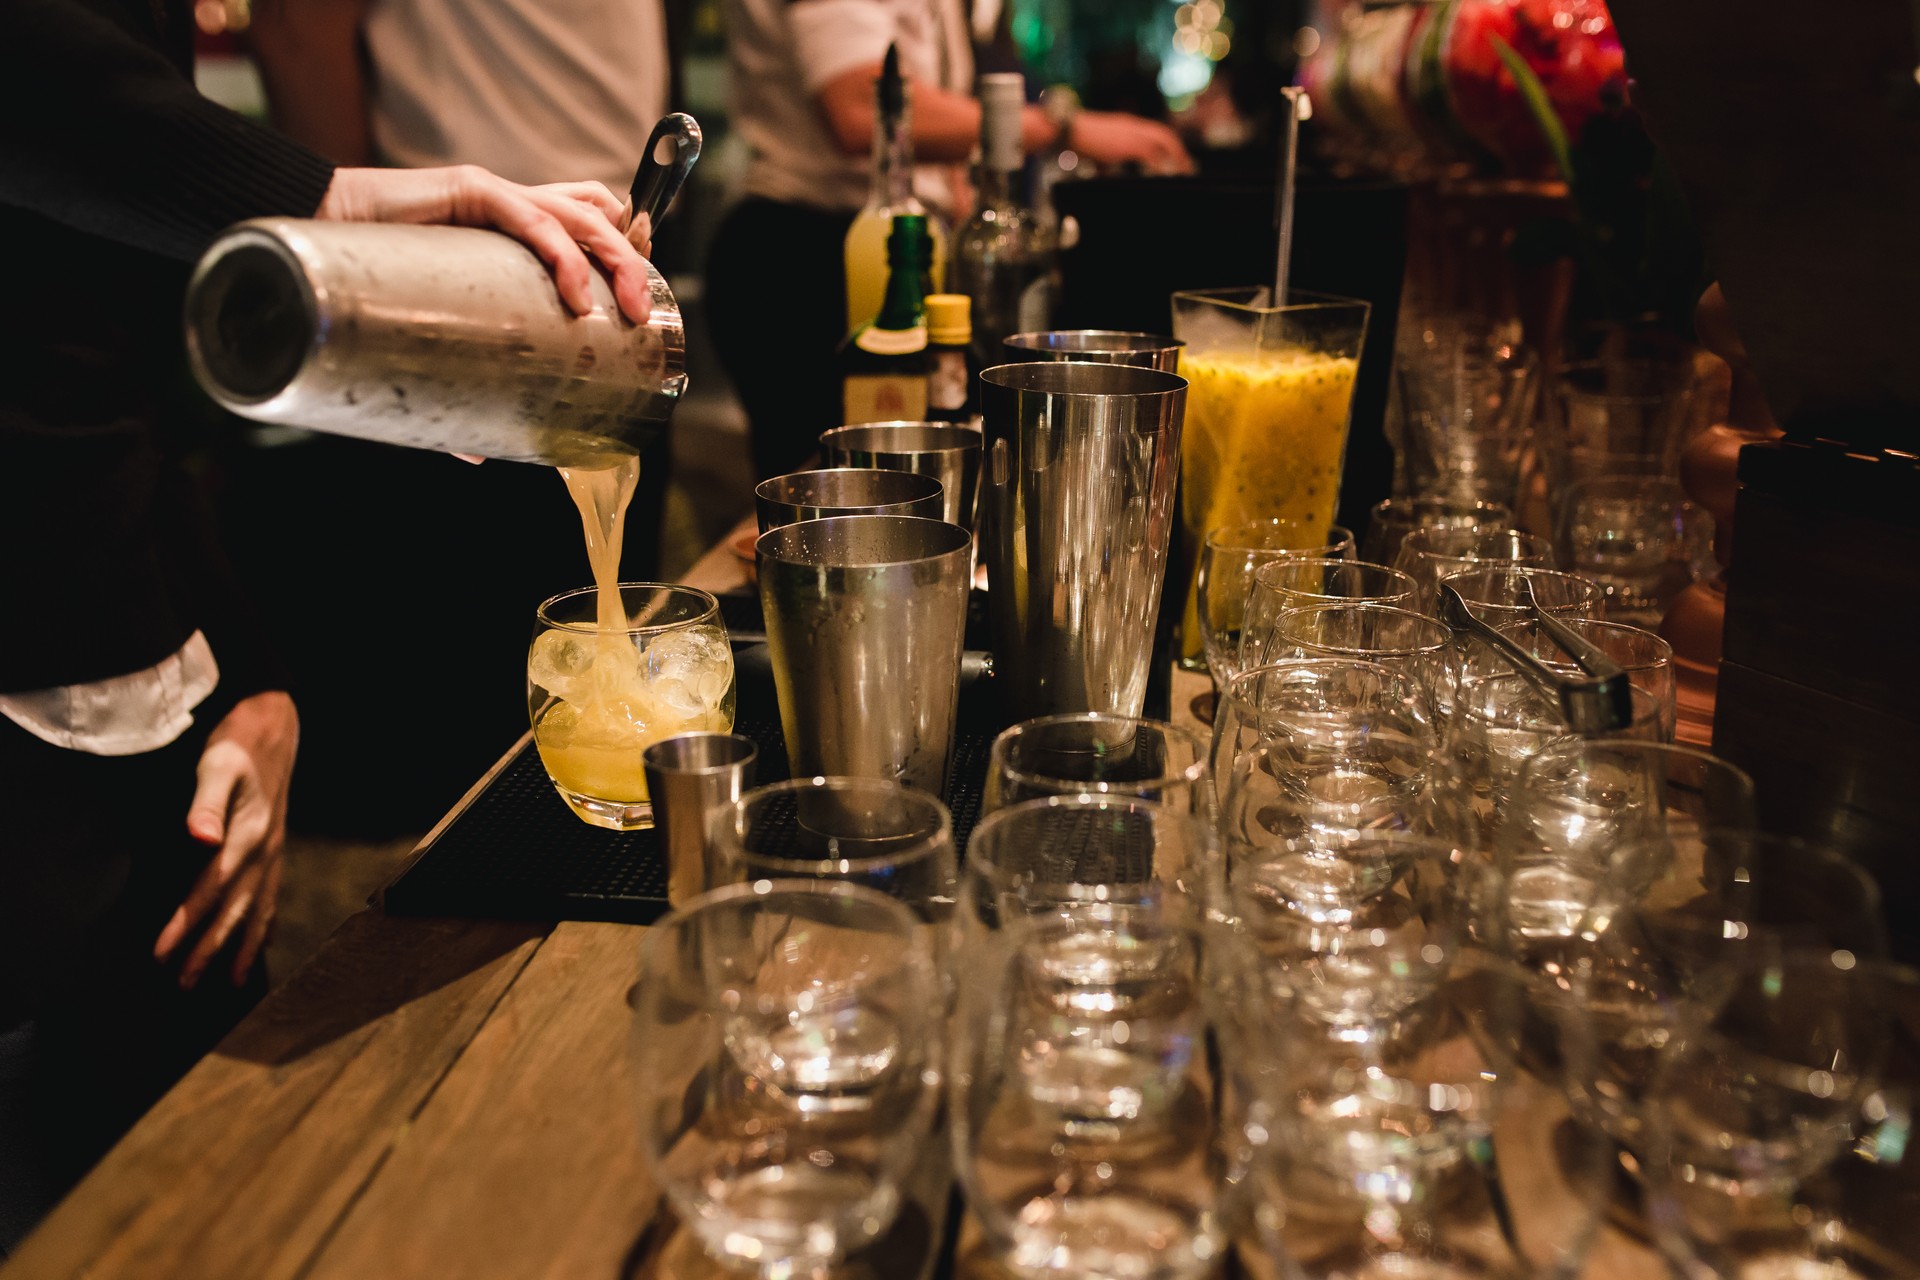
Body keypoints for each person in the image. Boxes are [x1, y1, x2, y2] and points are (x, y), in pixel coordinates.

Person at [0, 0, 653, 1248]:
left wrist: (247, 667)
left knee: (216, 1196)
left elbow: (88, 358)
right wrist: (330, 195)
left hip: (141, 696)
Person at [708, 0, 1194, 480]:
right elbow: (863, 105)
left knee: (919, 488)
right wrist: (1067, 127)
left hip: (906, 242)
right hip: (806, 255)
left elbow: (938, 151)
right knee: (831, 506)